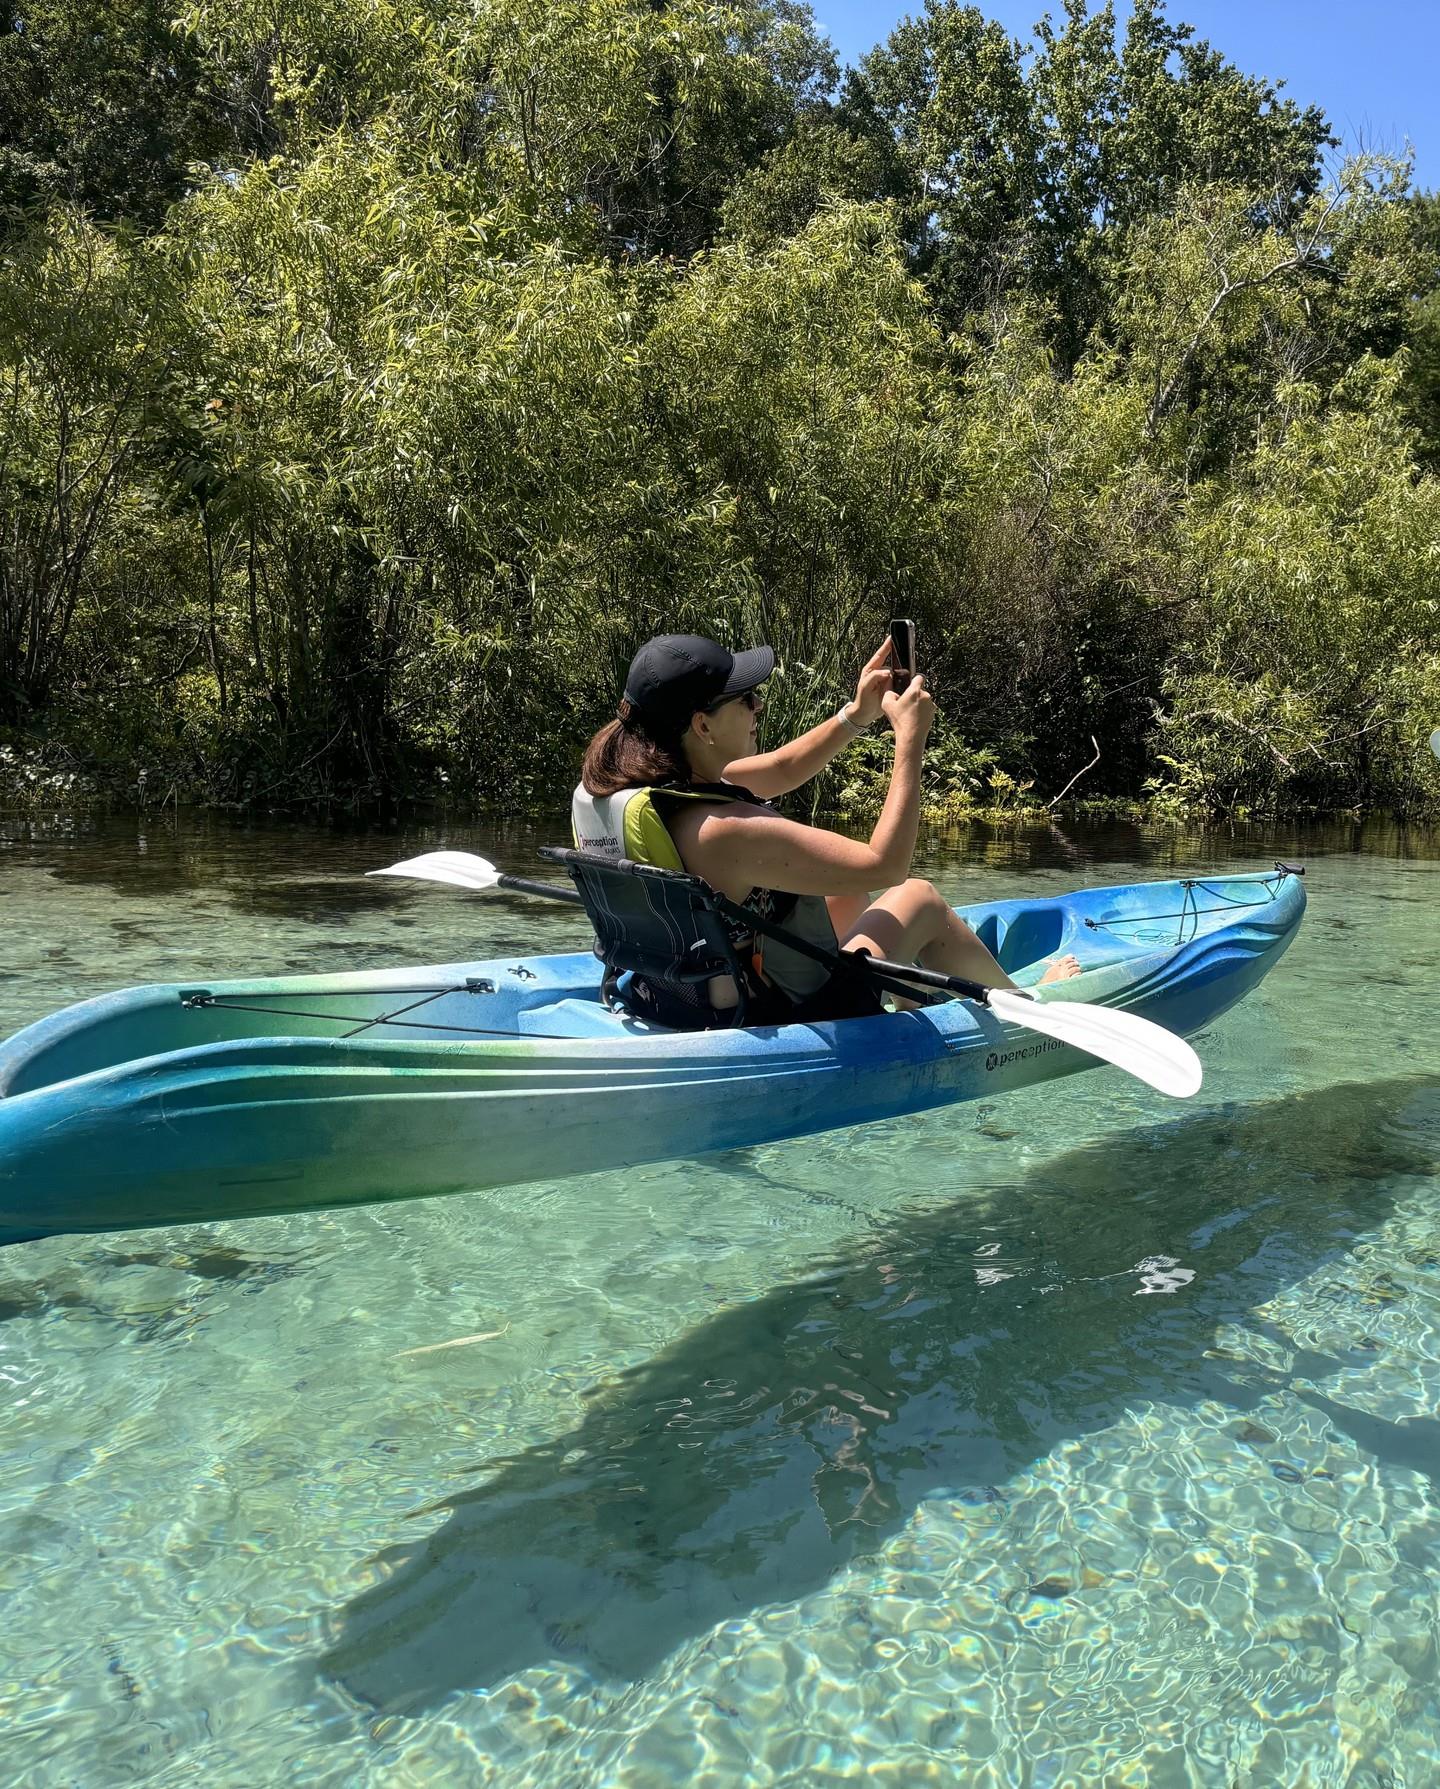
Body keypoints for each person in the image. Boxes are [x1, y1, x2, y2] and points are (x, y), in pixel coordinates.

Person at [573, 633, 1079, 1027]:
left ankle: (912, 1000)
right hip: (766, 1011)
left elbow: (780, 770)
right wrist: (910, 742)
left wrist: (856, 716)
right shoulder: (724, 830)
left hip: (672, 993)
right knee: (919, 897)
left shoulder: (631, 790)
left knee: (847, 889)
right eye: (745, 699)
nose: (758, 707)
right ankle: (1025, 1006)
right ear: (703, 726)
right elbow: (887, 866)